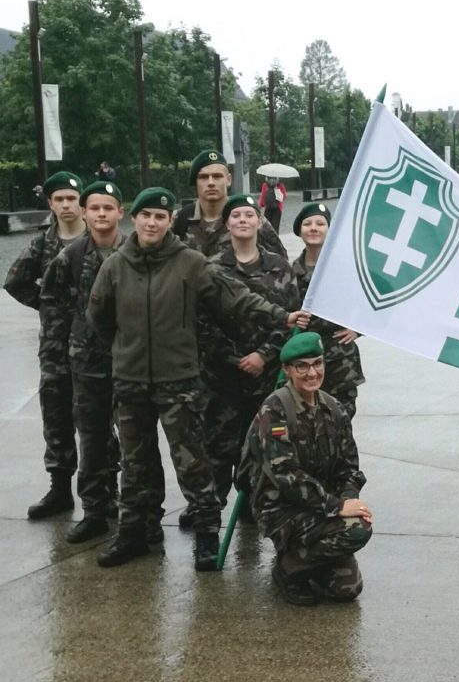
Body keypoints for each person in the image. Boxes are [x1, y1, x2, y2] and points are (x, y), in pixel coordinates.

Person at [87, 187, 310, 571]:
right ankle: (136, 531)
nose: (152, 222)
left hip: (180, 381)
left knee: (193, 463)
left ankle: (207, 534)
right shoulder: (115, 266)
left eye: (160, 216)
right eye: (146, 216)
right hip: (131, 381)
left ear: (170, 221)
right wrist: (126, 349)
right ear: (134, 220)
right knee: (136, 462)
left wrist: (280, 316)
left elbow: (237, 297)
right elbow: (99, 318)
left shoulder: (191, 263)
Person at [243, 331, 372, 606]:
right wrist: (336, 507)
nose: (312, 373)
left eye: (317, 364)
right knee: (356, 530)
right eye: (302, 366)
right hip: (281, 508)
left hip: (318, 506)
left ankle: (307, 560)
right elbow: (285, 475)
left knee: (347, 590)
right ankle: (289, 569)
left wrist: (350, 499)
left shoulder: (334, 408)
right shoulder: (275, 410)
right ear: (288, 370)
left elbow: (349, 467)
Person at [199, 193, 300, 512]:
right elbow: (201, 322)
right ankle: (210, 516)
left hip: (265, 380)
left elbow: (290, 317)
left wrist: (264, 355)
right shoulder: (211, 267)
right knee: (218, 451)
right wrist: (234, 358)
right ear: (227, 224)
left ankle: (252, 510)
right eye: (236, 216)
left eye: (248, 215)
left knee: (260, 448)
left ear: (259, 221)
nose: (242, 220)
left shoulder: (279, 266)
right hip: (222, 379)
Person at [39, 181, 127, 543]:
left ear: (121, 212)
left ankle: (132, 507)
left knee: (136, 440)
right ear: (86, 213)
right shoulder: (71, 256)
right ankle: (93, 510)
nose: (102, 214)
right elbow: (51, 302)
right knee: (91, 438)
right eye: (95, 208)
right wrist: (64, 348)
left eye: (109, 207)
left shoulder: (136, 251)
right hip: (87, 362)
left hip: (132, 360)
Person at [4, 171, 87, 519]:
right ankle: (59, 488)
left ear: (81, 201)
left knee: (99, 420)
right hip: (54, 348)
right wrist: (47, 303)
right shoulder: (42, 244)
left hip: (94, 346)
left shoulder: (99, 238)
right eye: (60, 199)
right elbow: (14, 281)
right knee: (56, 417)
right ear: (50, 204)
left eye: (72, 198)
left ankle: (105, 489)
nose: (67, 205)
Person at [291, 203, 364, 418]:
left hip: (339, 359)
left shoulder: (345, 267)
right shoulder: (289, 270)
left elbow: (379, 297)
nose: (313, 228)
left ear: (330, 229)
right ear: (300, 231)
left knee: (340, 419)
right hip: (304, 359)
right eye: (307, 224)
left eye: (320, 224)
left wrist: (358, 329)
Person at [172, 149, 286, 257]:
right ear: (195, 182)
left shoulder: (249, 219)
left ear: (228, 180)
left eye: (217, 176)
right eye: (204, 177)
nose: (211, 183)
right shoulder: (179, 220)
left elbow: (280, 262)